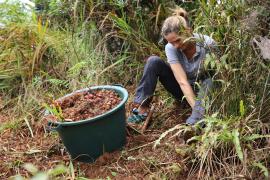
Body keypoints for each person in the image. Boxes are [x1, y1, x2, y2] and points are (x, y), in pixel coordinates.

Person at [127, 7, 217, 125]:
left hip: (205, 90)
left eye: (178, 40)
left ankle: (195, 120)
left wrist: (199, 107)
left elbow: (218, 75)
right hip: (183, 91)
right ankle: (142, 109)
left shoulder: (208, 44)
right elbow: (182, 82)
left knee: (210, 80)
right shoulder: (170, 47)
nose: (175, 46)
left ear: (188, 31)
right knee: (153, 61)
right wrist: (196, 106)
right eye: (171, 42)